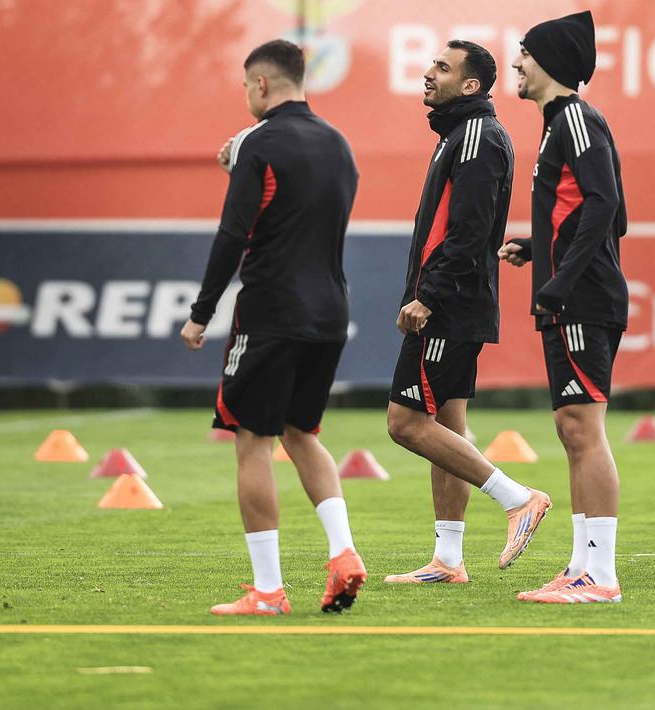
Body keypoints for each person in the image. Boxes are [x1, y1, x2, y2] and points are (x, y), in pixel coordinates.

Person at [180, 39, 365, 616]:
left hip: (272, 312)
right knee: (300, 433)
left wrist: (202, 312)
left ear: (260, 84)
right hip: (330, 311)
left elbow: (234, 234)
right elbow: (299, 211)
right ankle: (343, 553)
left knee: (252, 441)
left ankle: (267, 591)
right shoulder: (338, 144)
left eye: (245, 86)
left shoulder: (258, 143)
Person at [382, 40, 551, 583]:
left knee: (406, 424)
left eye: (442, 67)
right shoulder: (459, 133)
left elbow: (470, 232)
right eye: (432, 64)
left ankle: (518, 498)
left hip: (448, 306)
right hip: (454, 301)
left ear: (470, 85)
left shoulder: (477, 135)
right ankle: (448, 559)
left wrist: (428, 295)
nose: (429, 73)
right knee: (446, 429)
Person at [499, 10, 628, 604]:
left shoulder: (574, 118)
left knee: (583, 427)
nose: (516, 63)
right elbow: (604, 213)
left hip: (582, 298)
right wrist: (539, 247)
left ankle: (599, 576)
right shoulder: (563, 124)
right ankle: (581, 567)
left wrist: (563, 276)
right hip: (574, 293)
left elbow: (605, 205)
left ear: (550, 60)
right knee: (572, 428)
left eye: (525, 53)